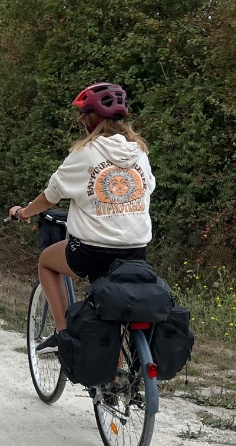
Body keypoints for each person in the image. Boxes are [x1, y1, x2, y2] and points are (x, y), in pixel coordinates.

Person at [8, 82, 156, 348]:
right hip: (136, 250)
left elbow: (51, 195)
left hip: (93, 252)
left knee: (46, 262)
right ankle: (115, 381)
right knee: (115, 312)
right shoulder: (140, 153)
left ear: (90, 120)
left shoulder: (84, 153)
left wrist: (23, 212)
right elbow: (147, 190)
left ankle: (66, 335)